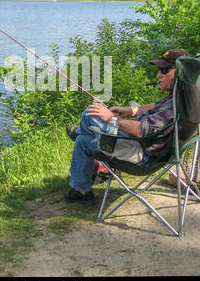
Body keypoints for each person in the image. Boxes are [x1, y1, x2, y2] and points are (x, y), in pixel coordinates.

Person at [64, 49, 191, 205]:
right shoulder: (183, 96)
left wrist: (112, 119)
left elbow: (141, 130)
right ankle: (82, 191)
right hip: (153, 148)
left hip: (142, 154)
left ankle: (80, 134)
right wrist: (131, 111)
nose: (159, 75)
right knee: (83, 141)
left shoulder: (174, 106)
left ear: (180, 72)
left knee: (89, 114)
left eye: (164, 70)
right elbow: (155, 105)